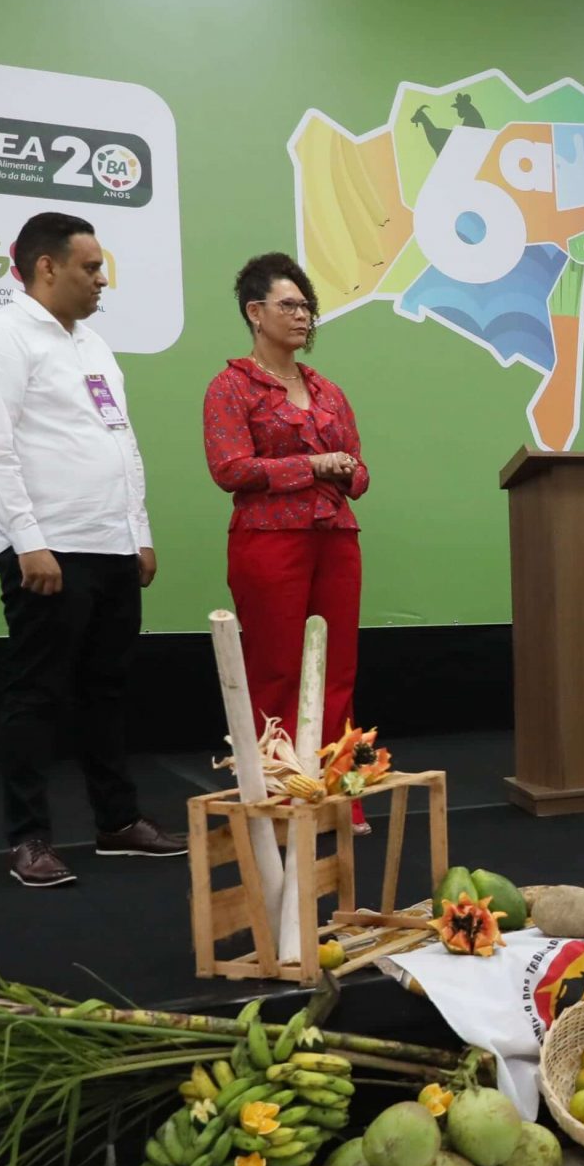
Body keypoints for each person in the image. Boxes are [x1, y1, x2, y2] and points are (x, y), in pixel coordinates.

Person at [0, 211, 186, 887]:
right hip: (47, 550)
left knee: (106, 691)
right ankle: (28, 839)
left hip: (111, 546)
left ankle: (117, 821)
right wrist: (29, 542)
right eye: (90, 267)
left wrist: (137, 532)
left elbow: (122, 441)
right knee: (35, 696)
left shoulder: (94, 345)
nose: (101, 278)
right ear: (45, 266)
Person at [203, 252, 371, 825]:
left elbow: (361, 473)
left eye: (307, 307)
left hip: (335, 537)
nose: (303, 317)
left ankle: (336, 794)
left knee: (337, 668)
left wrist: (345, 469)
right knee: (277, 668)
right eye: (289, 305)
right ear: (255, 312)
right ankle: (277, 797)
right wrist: (313, 465)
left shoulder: (328, 391)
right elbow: (230, 468)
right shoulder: (231, 386)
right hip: (269, 540)